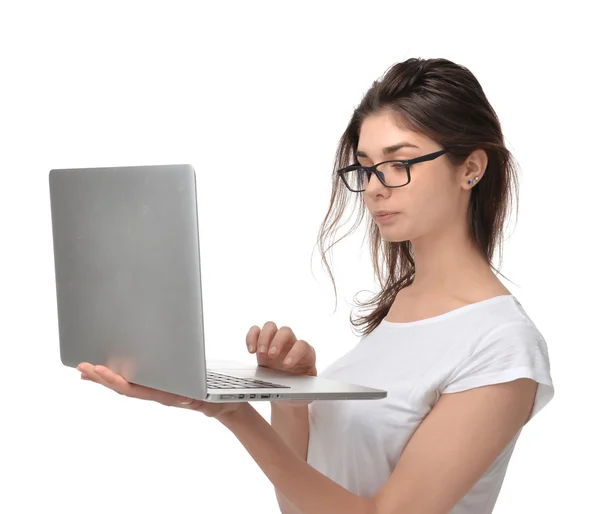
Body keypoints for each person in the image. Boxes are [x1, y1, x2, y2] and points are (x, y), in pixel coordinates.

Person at [77, 57, 554, 514]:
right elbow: (300, 503)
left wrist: (232, 413)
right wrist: (293, 397)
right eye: (366, 166)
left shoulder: (502, 347)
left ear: (471, 167)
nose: (372, 187)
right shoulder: (404, 307)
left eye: (398, 162)